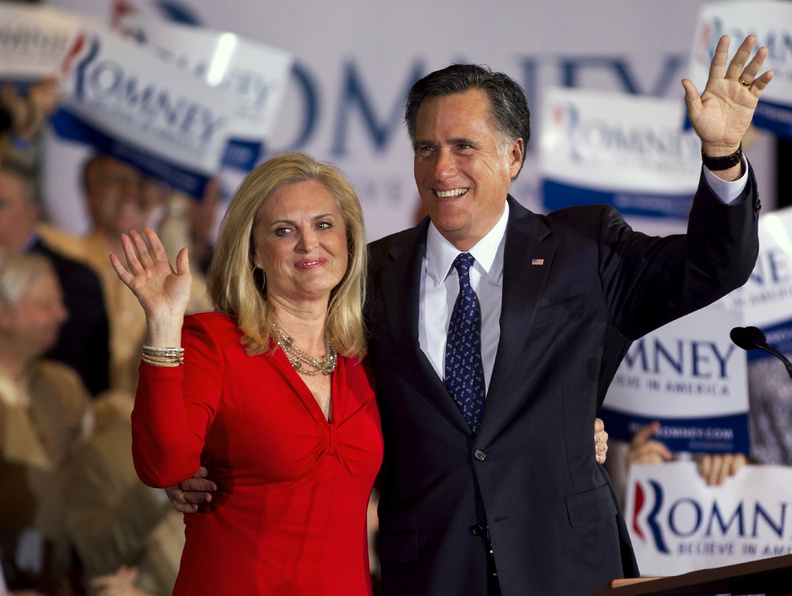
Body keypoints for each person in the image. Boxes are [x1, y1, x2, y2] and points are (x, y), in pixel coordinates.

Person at [171, 34, 770, 594]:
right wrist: (206, 452)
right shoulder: (367, 273)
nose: (441, 169)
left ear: (513, 155)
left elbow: (710, 268)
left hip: (565, 566)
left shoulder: (586, 248)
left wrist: (721, 156)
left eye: (463, 147)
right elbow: (286, 370)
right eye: (426, 149)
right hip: (430, 571)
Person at [110, 152, 384, 594]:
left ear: (350, 240)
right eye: (284, 230)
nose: (309, 243)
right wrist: (163, 323)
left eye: (324, 224)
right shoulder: (214, 343)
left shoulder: (366, 356)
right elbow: (163, 467)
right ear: (254, 252)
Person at [0, 249, 91, 595]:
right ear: (4, 315)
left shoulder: (64, 386)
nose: (62, 315)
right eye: (45, 306)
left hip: (67, 574)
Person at [0, 165, 110, 396]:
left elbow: (76, 378)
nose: (58, 314)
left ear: (32, 212)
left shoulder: (74, 279)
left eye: (2, 204)